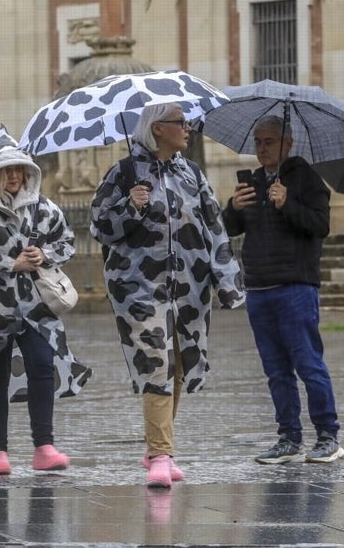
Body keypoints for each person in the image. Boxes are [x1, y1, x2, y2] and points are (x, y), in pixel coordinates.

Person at [90, 104, 245, 489]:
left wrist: (227, 283)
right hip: (137, 287)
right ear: (158, 129)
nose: (188, 129)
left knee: (178, 363)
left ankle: (157, 446)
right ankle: (162, 454)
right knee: (155, 360)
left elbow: (214, 228)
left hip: (189, 288)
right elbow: (98, 226)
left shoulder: (191, 173)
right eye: (180, 123)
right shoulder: (123, 174)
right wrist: (131, 205)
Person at [0, 128, 91, 476]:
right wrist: (8, 264)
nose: (15, 176)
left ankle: (43, 446)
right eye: (8, 170)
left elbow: (68, 242)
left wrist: (43, 254)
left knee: (43, 364)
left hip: (36, 306)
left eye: (20, 169)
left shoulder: (44, 208)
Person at [222, 116, 344, 465]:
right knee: (275, 370)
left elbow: (321, 226)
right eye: (258, 142)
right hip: (259, 287)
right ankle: (288, 438)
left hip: (295, 286)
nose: (262, 148)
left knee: (308, 363)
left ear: (288, 144)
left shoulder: (307, 179)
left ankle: (328, 436)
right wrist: (233, 208)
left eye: (269, 142)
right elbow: (227, 228)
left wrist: (287, 203)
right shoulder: (253, 182)